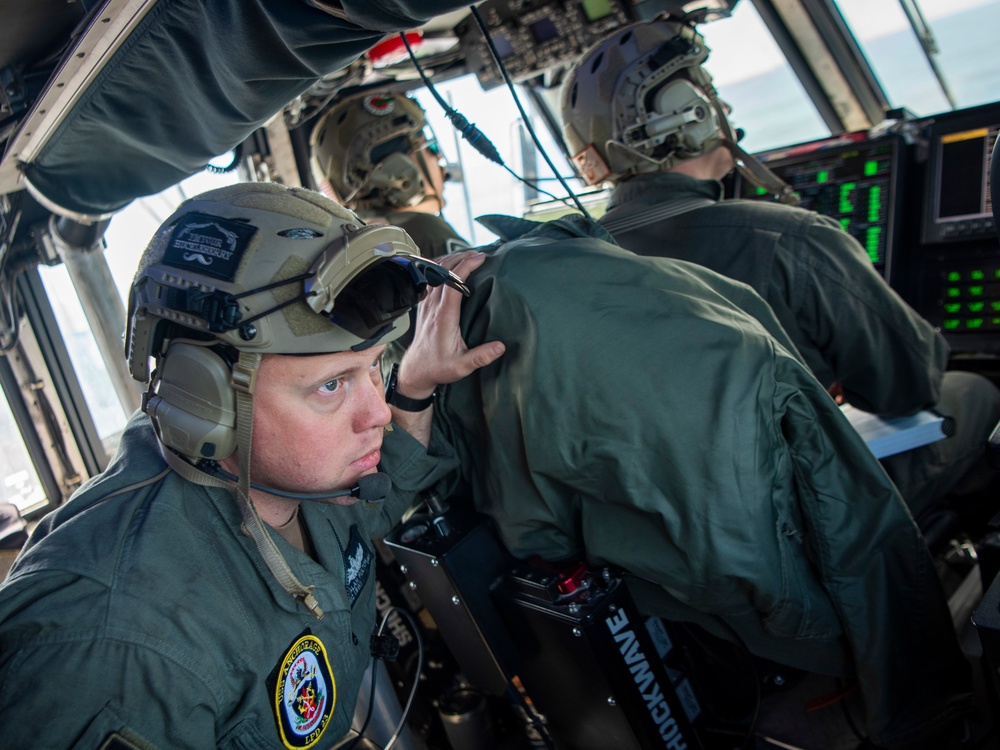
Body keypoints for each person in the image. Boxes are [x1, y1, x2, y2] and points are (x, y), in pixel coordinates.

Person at [408, 213, 972, 749]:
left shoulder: (417, 377)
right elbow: (879, 420)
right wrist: (918, 694)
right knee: (971, 392)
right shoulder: (768, 242)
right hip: (787, 608)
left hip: (646, 593)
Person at [0, 182, 502, 748]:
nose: (376, 413)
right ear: (204, 398)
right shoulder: (110, 649)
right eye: (331, 385)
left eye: (372, 367)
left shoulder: (295, 476)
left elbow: (370, 507)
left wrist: (413, 384)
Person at [559, 15, 1000, 522]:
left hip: (678, 528)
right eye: (710, 93)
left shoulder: (573, 265)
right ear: (689, 113)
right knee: (972, 392)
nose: (721, 107)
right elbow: (906, 386)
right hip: (800, 518)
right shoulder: (790, 238)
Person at [310, 90, 470, 259]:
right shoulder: (423, 232)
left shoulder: (343, 246)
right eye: (431, 148)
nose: (438, 158)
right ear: (398, 168)